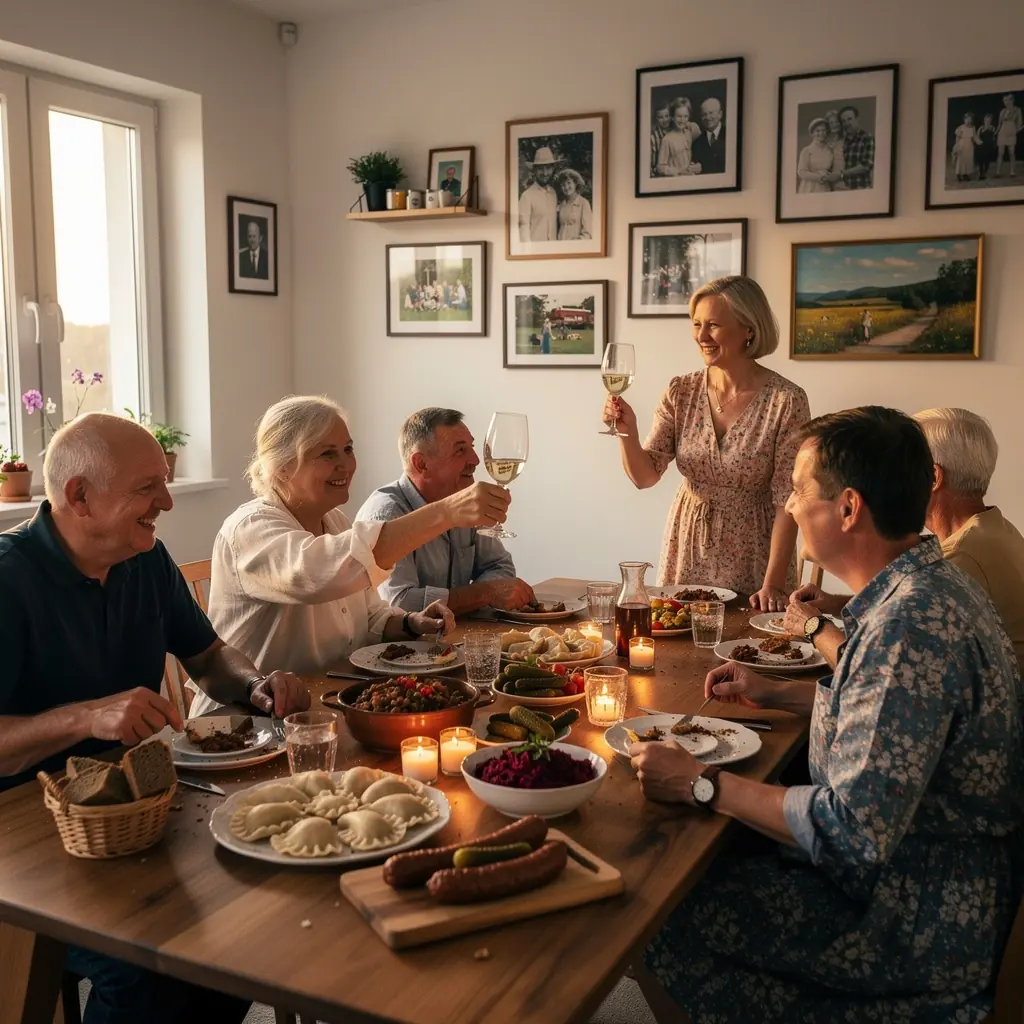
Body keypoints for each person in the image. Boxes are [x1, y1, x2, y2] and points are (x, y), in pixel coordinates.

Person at [631, 406, 1022, 1024]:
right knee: (710, 849)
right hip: (930, 879)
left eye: (798, 491)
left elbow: (853, 831)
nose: (788, 507)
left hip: (917, 918)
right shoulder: (925, 584)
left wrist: (700, 781)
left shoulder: (908, 626)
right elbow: (901, 726)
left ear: (848, 509)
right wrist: (780, 693)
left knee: (653, 903)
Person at [0, 413, 311, 1022]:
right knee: (143, 972)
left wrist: (255, 684)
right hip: (25, 836)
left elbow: (210, 657)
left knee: (245, 930)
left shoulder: (147, 558)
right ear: (79, 496)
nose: (166, 502)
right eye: (148, 488)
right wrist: (86, 718)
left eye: (166, 483)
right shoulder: (8, 579)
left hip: (139, 815)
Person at [195, 398, 511, 712]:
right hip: (245, 721)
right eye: (327, 453)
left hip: (323, 700)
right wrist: (446, 512)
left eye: (348, 449)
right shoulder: (250, 527)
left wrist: (412, 622)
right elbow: (315, 575)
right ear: (282, 466)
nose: (345, 465)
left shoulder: (335, 520)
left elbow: (369, 614)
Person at [603, 275, 810, 611]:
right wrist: (627, 431)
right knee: (680, 641)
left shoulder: (786, 401)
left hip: (756, 551)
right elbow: (645, 477)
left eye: (713, 325)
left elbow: (787, 502)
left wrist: (772, 584)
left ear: (749, 329)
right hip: (688, 543)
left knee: (746, 647)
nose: (701, 336)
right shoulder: (680, 391)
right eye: (696, 324)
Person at [786, 408, 1024, 675]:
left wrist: (815, 626)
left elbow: (879, 666)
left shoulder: (961, 556)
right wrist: (839, 604)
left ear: (932, 477)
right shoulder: (992, 529)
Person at [356, 408, 534, 615]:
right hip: (404, 646)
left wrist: (474, 596)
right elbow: (399, 603)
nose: (476, 460)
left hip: (455, 637)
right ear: (421, 464)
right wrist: (483, 594)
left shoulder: (466, 499)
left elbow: (500, 566)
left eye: (472, 447)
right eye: (460, 450)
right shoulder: (387, 513)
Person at [517, 146, 558, 242]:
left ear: (552, 169)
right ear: (534, 170)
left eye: (548, 168)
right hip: (535, 252)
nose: (545, 173)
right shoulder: (527, 196)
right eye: (541, 169)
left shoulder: (553, 194)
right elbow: (523, 229)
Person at [656, 96, 702, 176]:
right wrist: (677, 172)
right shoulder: (667, 139)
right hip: (676, 180)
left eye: (685, 116)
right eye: (679, 116)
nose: (682, 120)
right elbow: (660, 167)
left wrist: (697, 166)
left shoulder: (689, 133)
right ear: (673, 117)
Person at [796, 117, 841, 192]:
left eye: (823, 130)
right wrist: (820, 178)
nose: (821, 133)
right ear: (812, 133)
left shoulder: (829, 150)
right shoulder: (807, 150)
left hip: (825, 187)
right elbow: (801, 172)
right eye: (817, 131)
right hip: (809, 187)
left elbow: (832, 169)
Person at [839, 105, 875, 189]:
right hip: (844, 189)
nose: (847, 123)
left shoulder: (867, 138)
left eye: (849, 119)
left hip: (861, 188)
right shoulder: (843, 142)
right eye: (843, 121)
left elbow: (867, 165)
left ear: (857, 119)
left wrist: (841, 174)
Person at [554, 168, 592, 240]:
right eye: (563, 185)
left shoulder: (584, 203)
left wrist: (575, 244)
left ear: (575, 183)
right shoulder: (562, 205)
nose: (566, 187)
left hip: (576, 247)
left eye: (569, 183)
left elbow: (587, 233)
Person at [691, 96, 726, 175]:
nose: (707, 117)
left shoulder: (730, 136)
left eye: (711, 113)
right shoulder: (696, 144)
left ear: (720, 114)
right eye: (704, 114)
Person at [996, 92, 1022, 177]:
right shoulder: (1003, 111)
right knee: (1000, 153)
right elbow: (999, 124)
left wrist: (1016, 130)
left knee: (1012, 153)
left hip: (1011, 134)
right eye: (1004, 100)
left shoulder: (1017, 110)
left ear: (1012, 100)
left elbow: (1019, 123)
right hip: (1002, 133)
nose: (1006, 102)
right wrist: (996, 132)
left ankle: (1012, 172)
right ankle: (998, 172)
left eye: (1008, 100)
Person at [953, 111, 980, 181]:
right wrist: (957, 147)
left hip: (969, 146)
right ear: (964, 119)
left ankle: (965, 174)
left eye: (970, 119)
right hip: (962, 145)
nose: (968, 120)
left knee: (968, 160)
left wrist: (981, 143)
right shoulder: (961, 128)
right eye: (967, 119)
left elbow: (975, 137)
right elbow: (957, 138)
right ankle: (959, 174)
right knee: (961, 160)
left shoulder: (973, 128)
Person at [650, 103, 671, 176]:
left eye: (667, 116)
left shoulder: (676, 132)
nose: (665, 120)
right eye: (660, 117)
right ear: (656, 119)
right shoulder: (652, 138)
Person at [978, 112, 998, 179]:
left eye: (989, 120)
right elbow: (977, 137)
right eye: (986, 120)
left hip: (989, 147)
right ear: (984, 120)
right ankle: (981, 174)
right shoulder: (981, 128)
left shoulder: (993, 128)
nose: (987, 121)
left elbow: (994, 137)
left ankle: (985, 173)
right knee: (981, 161)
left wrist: (994, 145)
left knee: (987, 161)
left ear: (991, 121)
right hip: (982, 147)